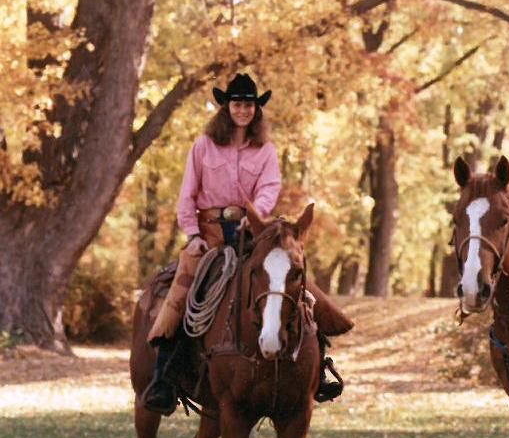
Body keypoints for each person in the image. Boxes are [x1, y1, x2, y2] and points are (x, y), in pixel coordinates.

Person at [141, 73, 353, 415]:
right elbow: (187, 195)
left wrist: (255, 215)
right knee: (183, 288)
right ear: (227, 107)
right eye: (238, 104)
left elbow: (269, 188)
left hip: (250, 231)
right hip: (208, 233)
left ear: (256, 110)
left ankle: (319, 361)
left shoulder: (265, 150)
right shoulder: (203, 146)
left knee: (291, 278)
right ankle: (164, 376)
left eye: (249, 105)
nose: (243, 111)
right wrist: (193, 234)